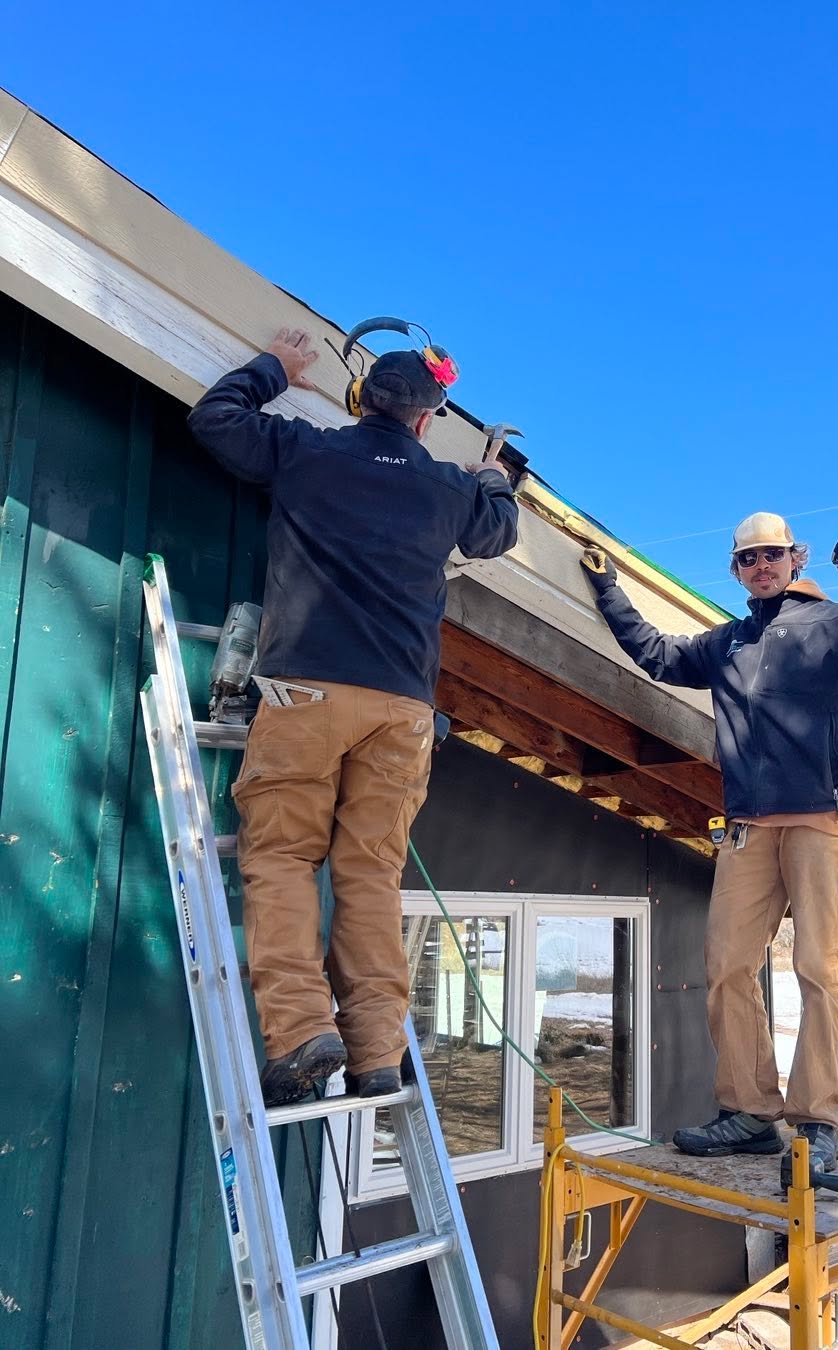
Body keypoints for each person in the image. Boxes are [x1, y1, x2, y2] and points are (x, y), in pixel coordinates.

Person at [188, 327, 518, 1106]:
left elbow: (215, 420)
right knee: (371, 872)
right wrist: (494, 477)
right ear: (427, 419)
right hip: (402, 706)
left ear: (359, 400)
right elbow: (498, 530)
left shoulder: (308, 452)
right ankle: (374, 1050)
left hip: (306, 692)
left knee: (280, 856)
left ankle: (303, 1032)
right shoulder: (448, 487)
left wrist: (277, 367)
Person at [580, 512, 838, 1177]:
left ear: (795, 560)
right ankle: (749, 1112)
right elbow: (658, 654)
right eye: (748, 559)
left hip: (824, 818)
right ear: (736, 570)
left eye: (772, 554)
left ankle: (816, 1121)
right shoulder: (728, 643)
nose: (761, 565)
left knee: (818, 968)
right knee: (727, 964)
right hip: (750, 822)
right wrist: (609, 591)